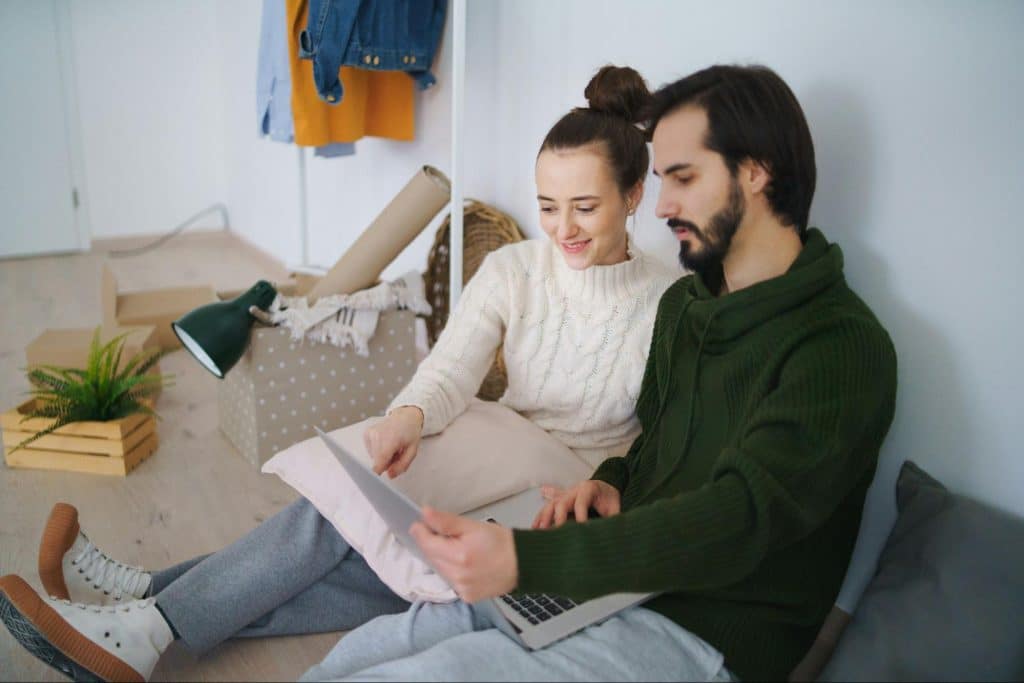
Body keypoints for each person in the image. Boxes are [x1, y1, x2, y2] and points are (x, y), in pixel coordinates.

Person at [0, 66, 678, 683]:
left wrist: (606, 486)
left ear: (634, 195)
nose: (562, 228)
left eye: (584, 207)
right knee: (362, 534)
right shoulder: (514, 268)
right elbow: (450, 366)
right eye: (548, 205)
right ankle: (146, 616)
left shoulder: (672, 302)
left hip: (567, 491)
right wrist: (408, 415)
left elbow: (666, 437)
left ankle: (147, 607)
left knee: (368, 550)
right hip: (497, 447)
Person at [297, 64, 899, 683]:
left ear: (756, 171)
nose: (661, 206)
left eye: (684, 178)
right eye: (662, 181)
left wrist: (531, 559)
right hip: (609, 578)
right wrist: (612, 482)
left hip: (697, 630)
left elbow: (738, 518)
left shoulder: (840, 348)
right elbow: (654, 445)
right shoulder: (687, 307)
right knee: (376, 649)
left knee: (431, 675)